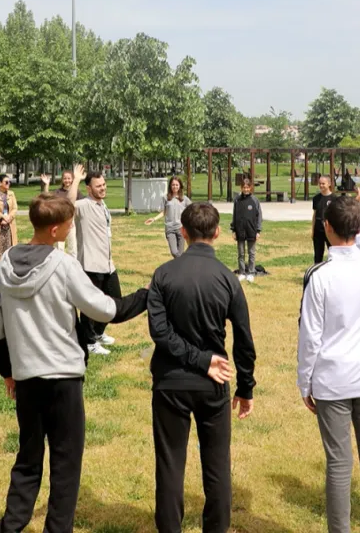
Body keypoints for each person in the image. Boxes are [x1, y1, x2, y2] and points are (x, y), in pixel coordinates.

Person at [0, 193, 147, 533]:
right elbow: (105, 309)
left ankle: (10, 527)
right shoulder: (63, 265)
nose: (72, 228)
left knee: (28, 458)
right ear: (55, 230)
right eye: (70, 224)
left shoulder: (6, 263)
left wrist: (7, 372)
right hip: (63, 380)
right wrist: (145, 296)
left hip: (27, 378)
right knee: (65, 462)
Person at [147, 202, 256, 533]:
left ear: (183, 232)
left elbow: (160, 332)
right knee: (217, 465)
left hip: (171, 383)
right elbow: (244, 339)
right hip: (213, 382)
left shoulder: (163, 274)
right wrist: (245, 387)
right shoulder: (227, 279)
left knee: (170, 464)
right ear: (218, 232)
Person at [298, 196, 360, 533]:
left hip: (332, 378)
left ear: (326, 227)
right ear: (358, 227)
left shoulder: (321, 276)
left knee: (339, 463)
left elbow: (310, 336)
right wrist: (358, 217)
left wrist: (304, 381)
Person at [66, 164, 121, 356]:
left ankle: (97, 333)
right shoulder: (83, 206)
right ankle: (89, 342)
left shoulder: (102, 205)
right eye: (98, 186)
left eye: (104, 184)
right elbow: (68, 204)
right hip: (90, 264)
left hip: (107, 264)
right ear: (89, 188)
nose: (103, 188)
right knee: (90, 306)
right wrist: (76, 180)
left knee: (115, 301)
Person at [144, 176, 192, 258]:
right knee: (174, 252)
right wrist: (154, 219)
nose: (175, 186)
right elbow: (164, 212)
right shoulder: (166, 198)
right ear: (170, 186)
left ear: (180, 186)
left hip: (181, 229)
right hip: (170, 229)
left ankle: (181, 264)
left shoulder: (184, 199)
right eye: (173, 185)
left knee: (180, 254)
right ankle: (184, 262)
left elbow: (192, 210)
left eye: (177, 185)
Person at [231, 177, 262, 283]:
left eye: (247, 187)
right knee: (241, 253)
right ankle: (242, 272)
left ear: (250, 188)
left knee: (251, 253)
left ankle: (251, 272)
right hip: (240, 230)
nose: (246, 189)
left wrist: (258, 231)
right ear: (241, 188)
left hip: (251, 230)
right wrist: (233, 230)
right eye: (244, 187)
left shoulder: (254, 200)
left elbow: (259, 216)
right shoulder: (237, 200)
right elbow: (234, 215)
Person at [40, 171, 79, 254]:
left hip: (71, 221)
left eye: (69, 178)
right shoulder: (58, 192)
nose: (67, 180)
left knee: (72, 246)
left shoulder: (76, 192)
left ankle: (72, 262)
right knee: (59, 247)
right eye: (65, 178)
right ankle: (58, 261)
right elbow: (47, 198)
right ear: (62, 180)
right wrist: (47, 184)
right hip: (59, 221)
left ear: (72, 179)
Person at [311, 174, 342, 264]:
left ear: (329, 184)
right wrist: (313, 230)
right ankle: (317, 269)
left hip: (330, 230)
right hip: (318, 229)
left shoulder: (335, 199)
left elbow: (337, 216)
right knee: (318, 254)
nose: (321, 185)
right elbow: (314, 214)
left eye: (323, 184)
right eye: (320, 183)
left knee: (333, 253)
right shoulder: (316, 198)